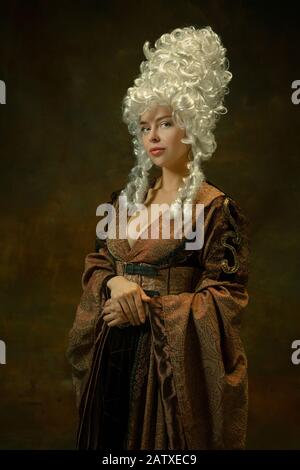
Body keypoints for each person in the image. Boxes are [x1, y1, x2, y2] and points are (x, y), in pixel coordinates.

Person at [66, 25, 250, 450]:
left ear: (193, 125)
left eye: (165, 123)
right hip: (112, 359)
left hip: (168, 375)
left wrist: (151, 310)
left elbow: (226, 297)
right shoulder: (123, 201)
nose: (152, 135)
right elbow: (100, 263)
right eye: (145, 125)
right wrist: (115, 283)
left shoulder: (215, 209)